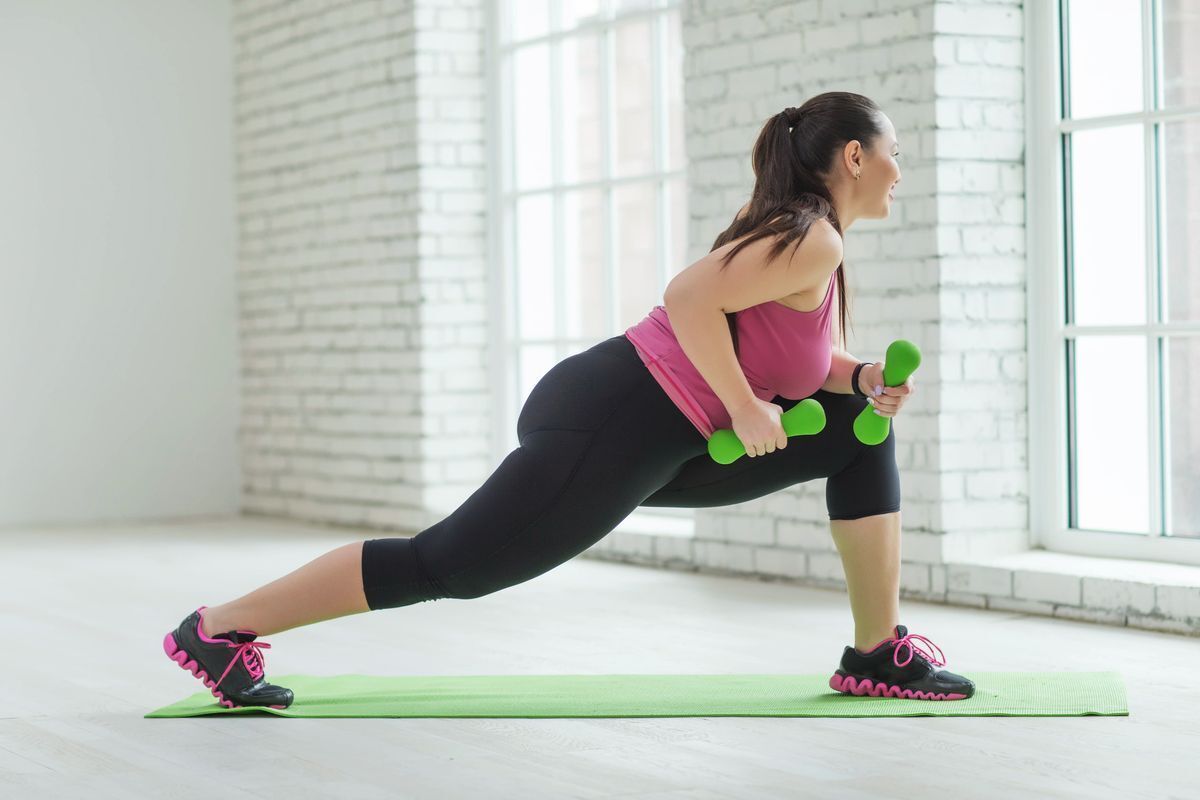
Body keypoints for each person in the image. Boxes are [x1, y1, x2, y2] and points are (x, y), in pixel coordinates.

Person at [162, 91, 975, 709]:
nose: (904, 170)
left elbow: (788, 355)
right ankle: (221, 628)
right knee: (450, 565)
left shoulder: (809, 243)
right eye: (897, 152)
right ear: (858, 158)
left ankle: (875, 652)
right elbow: (688, 298)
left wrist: (860, 377)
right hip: (618, 415)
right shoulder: (812, 236)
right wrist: (749, 406)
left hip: (675, 438)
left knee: (858, 431)